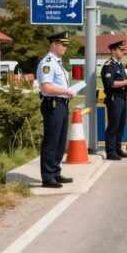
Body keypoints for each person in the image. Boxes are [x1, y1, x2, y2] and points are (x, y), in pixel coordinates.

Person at [36, 31, 76, 189]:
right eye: (63, 44)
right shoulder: (47, 63)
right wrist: (66, 91)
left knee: (60, 141)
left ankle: (55, 172)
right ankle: (47, 176)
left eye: (66, 45)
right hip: (52, 103)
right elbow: (46, 87)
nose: (65, 47)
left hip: (61, 103)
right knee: (51, 140)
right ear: (53, 44)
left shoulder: (58, 62)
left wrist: (67, 92)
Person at [101, 39, 127, 161]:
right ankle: (110, 151)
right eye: (121, 50)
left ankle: (117, 148)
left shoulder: (119, 65)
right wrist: (126, 82)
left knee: (121, 125)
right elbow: (110, 83)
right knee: (113, 125)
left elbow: (121, 82)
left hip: (122, 97)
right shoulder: (108, 66)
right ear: (113, 51)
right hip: (114, 98)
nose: (123, 52)